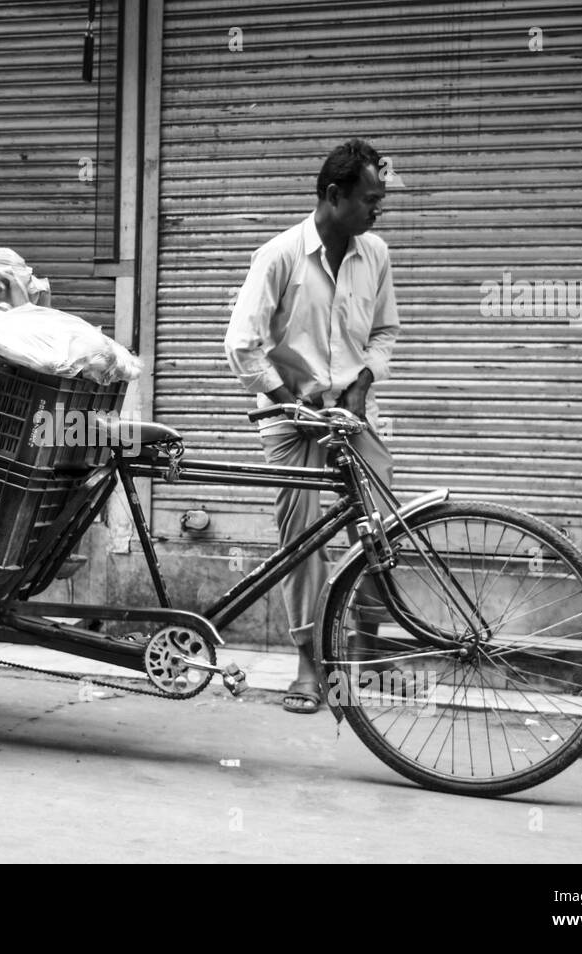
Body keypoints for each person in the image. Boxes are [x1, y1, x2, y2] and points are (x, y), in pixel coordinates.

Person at [224, 139, 399, 714]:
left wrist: (362, 383)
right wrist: (287, 402)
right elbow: (242, 344)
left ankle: (367, 648)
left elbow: (384, 332)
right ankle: (308, 665)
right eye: (371, 199)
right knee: (302, 541)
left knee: (379, 528)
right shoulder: (277, 257)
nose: (379, 209)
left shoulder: (375, 254)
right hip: (292, 418)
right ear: (333, 196)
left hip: (351, 412)